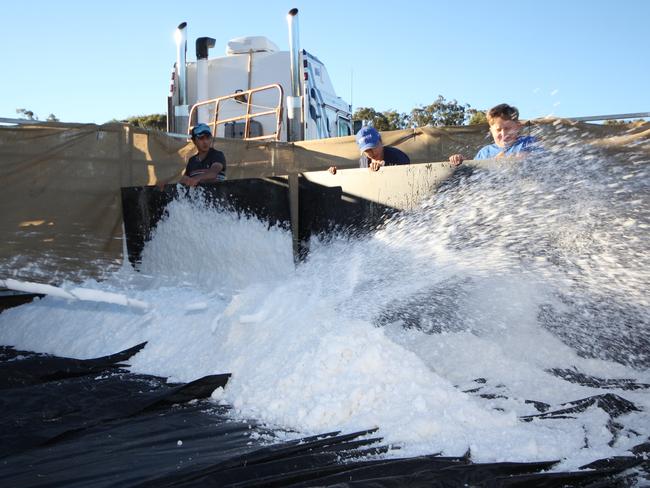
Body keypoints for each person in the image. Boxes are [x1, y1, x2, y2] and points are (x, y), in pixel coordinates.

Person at [448, 104, 538, 165]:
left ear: (517, 126)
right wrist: (463, 161)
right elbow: (475, 171)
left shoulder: (528, 142)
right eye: (498, 130)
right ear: (491, 131)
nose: (503, 133)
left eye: (507, 128)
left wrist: (528, 157)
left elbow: (548, 160)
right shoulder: (485, 153)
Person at [329, 126, 410, 174]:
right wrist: (336, 174)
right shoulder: (364, 161)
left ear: (380, 142)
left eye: (373, 147)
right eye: (367, 150)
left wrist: (383, 169)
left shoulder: (398, 157)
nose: (371, 153)